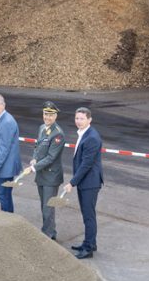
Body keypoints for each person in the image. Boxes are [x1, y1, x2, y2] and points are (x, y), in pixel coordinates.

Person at [65, 107, 104, 259]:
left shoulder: (92, 138)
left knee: (89, 216)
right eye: (77, 118)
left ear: (89, 120)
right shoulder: (83, 133)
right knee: (87, 214)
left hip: (90, 182)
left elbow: (86, 164)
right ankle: (90, 243)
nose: (78, 121)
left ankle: (88, 248)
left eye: (82, 118)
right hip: (85, 182)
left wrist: (72, 183)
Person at [29, 101, 65, 239]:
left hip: (51, 176)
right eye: (45, 114)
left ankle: (47, 235)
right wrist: (34, 158)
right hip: (41, 175)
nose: (47, 117)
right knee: (44, 206)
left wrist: (33, 167)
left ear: (55, 116)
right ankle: (50, 232)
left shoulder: (58, 134)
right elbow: (37, 147)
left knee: (47, 208)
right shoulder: (42, 128)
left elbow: (51, 157)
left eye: (50, 115)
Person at [0, 94, 22, 212]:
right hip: (3, 167)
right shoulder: (0, 118)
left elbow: (4, 149)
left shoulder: (6, 122)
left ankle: (8, 223)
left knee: (4, 197)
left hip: (6, 168)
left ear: (3, 105)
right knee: (4, 197)